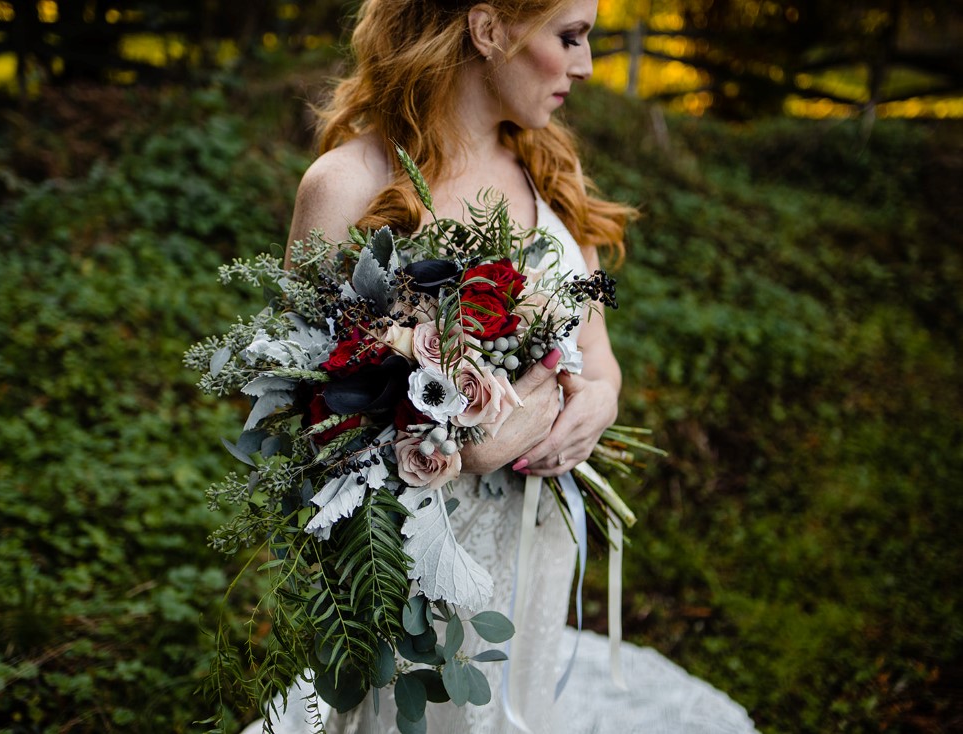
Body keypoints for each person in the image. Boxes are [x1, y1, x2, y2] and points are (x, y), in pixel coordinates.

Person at [244, 1, 760, 732]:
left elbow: (601, 362)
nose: (584, 65)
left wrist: (598, 407)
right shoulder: (347, 186)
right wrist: (473, 444)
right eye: (570, 36)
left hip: (537, 542)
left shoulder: (549, 167)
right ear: (488, 30)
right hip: (408, 572)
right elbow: (311, 434)